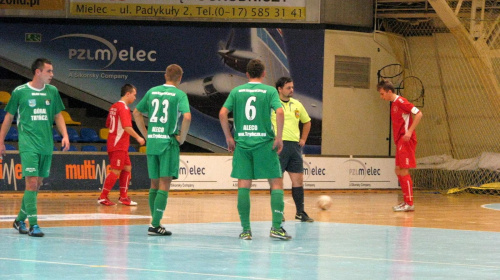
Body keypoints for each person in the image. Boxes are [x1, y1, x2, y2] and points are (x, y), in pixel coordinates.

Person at [219, 59, 291, 240]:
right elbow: (280, 112)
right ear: (264, 73)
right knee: (276, 183)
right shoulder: (269, 91)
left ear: (247, 74)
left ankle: (246, 230)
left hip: (243, 144)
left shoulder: (236, 91)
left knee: (244, 185)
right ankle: (276, 227)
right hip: (265, 144)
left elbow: (222, 113)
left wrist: (229, 137)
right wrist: (279, 137)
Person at [0, 58, 70, 237]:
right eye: (49, 71)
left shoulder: (52, 91)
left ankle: (18, 220)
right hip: (28, 144)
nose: (52, 75)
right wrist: (0, 141)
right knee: (31, 182)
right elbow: (8, 118)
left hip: (46, 145)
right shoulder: (20, 92)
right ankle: (33, 225)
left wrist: (65, 135)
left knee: (37, 184)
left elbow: (58, 115)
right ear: (38, 72)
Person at [133, 64, 191, 236]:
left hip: (153, 142)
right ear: (180, 78)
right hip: (168, 142)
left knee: (154, 183)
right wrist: (183, 137)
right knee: (165, 184)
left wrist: (146, 133)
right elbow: (187, 116)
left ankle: (154, 221)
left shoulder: (152, 91)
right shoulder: (180, 94)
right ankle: (155, 224)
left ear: (165, 75)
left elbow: (136, 112)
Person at [271, 77, 313, 222]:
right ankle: (278, 213)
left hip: (294, 147)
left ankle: (300, 212)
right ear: (280, 89)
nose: (292, 90)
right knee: (277, 181)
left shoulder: (297, 104)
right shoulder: (272, 104)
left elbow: (307, 122)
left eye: (292, 87)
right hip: (278, 147)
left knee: (299, 180)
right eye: (288, 88)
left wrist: (303, 139)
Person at [377, 79, 423, 212]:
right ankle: (405, 202)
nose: (381, 97)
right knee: (398, 170)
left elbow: (419, 114)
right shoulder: (393, 104)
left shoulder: (401, 102)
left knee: (403, 170)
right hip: (400, 141)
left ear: (389, 91)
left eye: (382, 94)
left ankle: (409, 203)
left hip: (406, 140)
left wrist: (409, 131)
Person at [98, 84, 145, 206]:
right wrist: (138, 137)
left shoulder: (114, 106)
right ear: (128, 94)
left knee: (127, 167)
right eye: (134, 95)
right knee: (115, 170)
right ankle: (103, 197)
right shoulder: (123, 108)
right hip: (118, 144)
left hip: (118, 143)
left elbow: (108, 124)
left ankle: (123, 197)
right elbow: (126, 127)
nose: (135, 98)